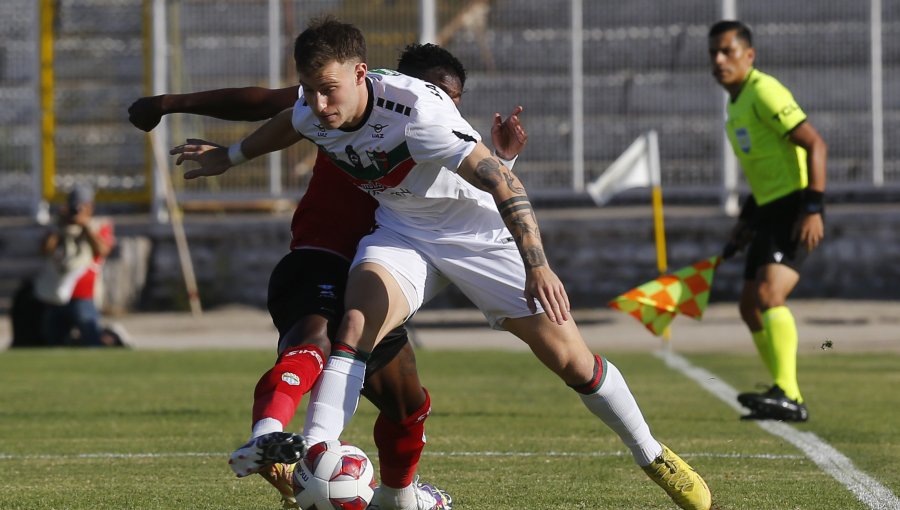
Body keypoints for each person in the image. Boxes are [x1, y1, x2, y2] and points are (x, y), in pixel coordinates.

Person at [172, 17, 712, 510]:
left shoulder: (418, 114)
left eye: (327, 90)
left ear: (361, 75)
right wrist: (229, 156)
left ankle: (652, 455)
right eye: (309, 90)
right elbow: (286, 124)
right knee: (356, 322)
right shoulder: (318, 105)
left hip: (479, 235)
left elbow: (502, 180)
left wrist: (538, 265)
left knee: (571, 361)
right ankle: (316, 451)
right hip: (404, 233)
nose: (317, 102)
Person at [133, 43, 526, 510]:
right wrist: (170, 104)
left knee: (408, 404)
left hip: (382, 280)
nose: (443, 104)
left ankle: (398, 497)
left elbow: (473, 202)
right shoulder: (339, 108)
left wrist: (506, 161)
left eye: (454, 99)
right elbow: (266, 102)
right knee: (315, 340)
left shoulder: (440, 134)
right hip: (325, 256)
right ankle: (269, 439)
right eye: (435, 91)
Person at [709, 20, 827, 422]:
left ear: (749, 55)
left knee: (769, 296)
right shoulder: (735, 108)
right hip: (769, 210)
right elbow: (763, 177)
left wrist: (813, 208)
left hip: (795, 207)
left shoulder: (764, 90)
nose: (719, 59)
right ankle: (782, 389)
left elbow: (815, 144)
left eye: (727, 51)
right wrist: (744, 226)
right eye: (714, 53)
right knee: (748, 306)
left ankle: (789, 394)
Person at [32, 185, 116, 347]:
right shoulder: (58, 227)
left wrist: (85, 226)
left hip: (84, 295)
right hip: (56, 295)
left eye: (81, 206)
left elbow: (102, 251)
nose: (77, 210)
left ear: (90, 207)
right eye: (74, 206)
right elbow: (45, 251)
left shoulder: (99, 225)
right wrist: (59, 226)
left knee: (90, 339)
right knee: (53, 341)